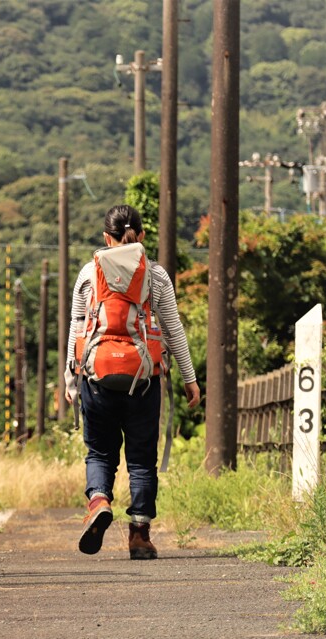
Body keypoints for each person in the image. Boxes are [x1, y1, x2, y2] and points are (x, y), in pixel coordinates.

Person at [67, 204, 200, 559]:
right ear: (141, 236)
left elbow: (77, 328)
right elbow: (173, 329)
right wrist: (190, 378)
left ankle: (98, 501)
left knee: (100, 451)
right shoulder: (156, 276)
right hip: (144, 379)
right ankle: (140, 536)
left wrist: (70, 377)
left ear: (105, 237)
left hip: (95, 377)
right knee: (141, 459)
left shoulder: (87, 273)